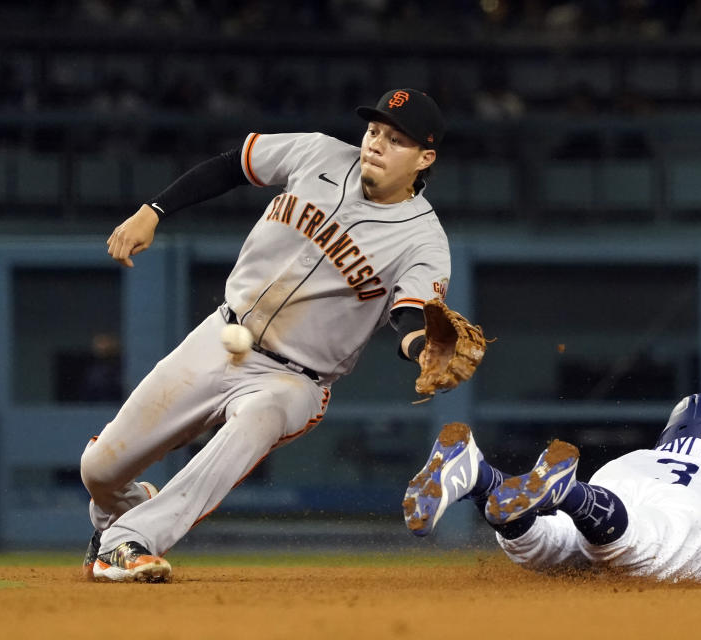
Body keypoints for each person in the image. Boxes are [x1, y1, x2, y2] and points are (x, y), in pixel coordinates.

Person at [81, 88, 457, 582]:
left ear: (424, 158)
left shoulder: (423, 240)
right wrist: (154, 210)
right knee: (100, 471)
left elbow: (409, 315)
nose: (376, 144)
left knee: (257, 417)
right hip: (221, 334)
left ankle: (131, 540)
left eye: (395, 139)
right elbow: (233, 164)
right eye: (373, 131)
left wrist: (419, 348)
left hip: (293, 380)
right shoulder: (318, 152)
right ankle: (128, 509)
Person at [403, 393, 701, 581]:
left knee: (552, 547)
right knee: (642, 548)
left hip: (617, 486)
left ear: (673, 429)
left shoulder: (638, 456)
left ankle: (481, 478)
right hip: (678, 514)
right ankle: (567, 492)